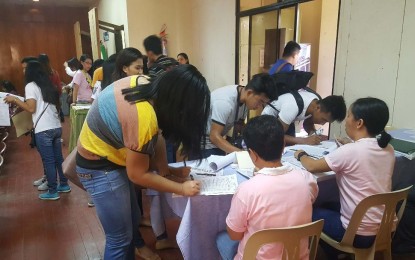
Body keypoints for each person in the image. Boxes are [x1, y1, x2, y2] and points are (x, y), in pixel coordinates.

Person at [76, 64, 210, 259]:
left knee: (131, 224)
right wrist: (180, 188)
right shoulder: (143, 116)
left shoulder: (146, 84)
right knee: (119, 239)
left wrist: (168, 172)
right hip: (99, 167)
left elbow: (156, 136)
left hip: (110, 158)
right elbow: (137, 174)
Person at [294, 97, 394, 259]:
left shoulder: (351, 152)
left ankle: (332, 253)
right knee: (328, 204)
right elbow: (363, 154)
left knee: (309, 211)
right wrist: (351, 144)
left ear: (359, 123)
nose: (346, 121)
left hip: (358, 234)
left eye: (348, 116)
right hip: (385, 227)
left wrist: (301, 154)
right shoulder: (388, 149)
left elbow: (312, 166)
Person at [216, 115, 318, 260]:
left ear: (252, 154)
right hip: (297, 256)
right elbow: (309, 200)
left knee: (221, 238)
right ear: (283, 146)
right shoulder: (306, 179)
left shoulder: (247, 190)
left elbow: (234, 234)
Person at [4, 61, 70, 200]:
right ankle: (64, 184)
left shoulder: (30, 86)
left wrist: (15, 100)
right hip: (56, 126)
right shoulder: (48, 85)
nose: (23, 71)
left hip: (43, 129)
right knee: (58, 159)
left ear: (31, 71)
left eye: (25, 69)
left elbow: (31, 108)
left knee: (49, 161)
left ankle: (52, 191)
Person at [199, 73, 277, 158]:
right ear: (250, 93)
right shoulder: (225, 102)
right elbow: (214, 137)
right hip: (202, 144)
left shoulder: (244, 98)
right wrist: (243, 154)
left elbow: (239, 126)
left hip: (216, 142)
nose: (259, 106)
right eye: (260, 101)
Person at [262, 94, 346, 145]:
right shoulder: (292, 107)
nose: (322, 124)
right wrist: (304, 140)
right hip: (268, 123)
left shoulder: (315, 101)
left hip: (287, 122)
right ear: (318, 108)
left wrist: (313, 133)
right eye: (323, 119)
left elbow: (307, 123)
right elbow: (277, 136)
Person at [38, 54, 64, 122]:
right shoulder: (54, 72)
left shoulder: (38, 74)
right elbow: (59, 89)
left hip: (42, 100)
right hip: (54, 99)